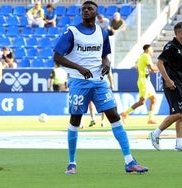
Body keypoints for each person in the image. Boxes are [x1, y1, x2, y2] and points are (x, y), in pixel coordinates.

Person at [53, 1, 148, 174]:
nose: (86, 11)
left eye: (90, 9)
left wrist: (107, 64)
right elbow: (57, 57)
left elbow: (105, 56)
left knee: (114, 116)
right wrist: (79, 68)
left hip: (99, 82)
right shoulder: (72, 32)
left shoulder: (102, 32)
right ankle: (72, 163)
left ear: (97, 13)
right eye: (83, 9)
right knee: (75, 120)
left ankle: (130, 161)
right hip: (78, 82)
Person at [149, 22, 182, 152]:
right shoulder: (171, 46)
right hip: (172, 85)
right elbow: (159, 63)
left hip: (181, 84)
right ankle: (155, 134)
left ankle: (179, 144)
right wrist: (168, 80)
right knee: (178, 113)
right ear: (178, 33)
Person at [121, 44, 158, 125]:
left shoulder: (142, 57)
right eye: (152, 49)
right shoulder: (146, 56)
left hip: (146, 81)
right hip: (144, 81)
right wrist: (163, 67)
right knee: (142, 102)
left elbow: (139, 68)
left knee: (154, 99)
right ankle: (125, 113)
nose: (152, 51)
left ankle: (150, 119)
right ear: (148, 49)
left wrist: (148, 71)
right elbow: (152, 68)